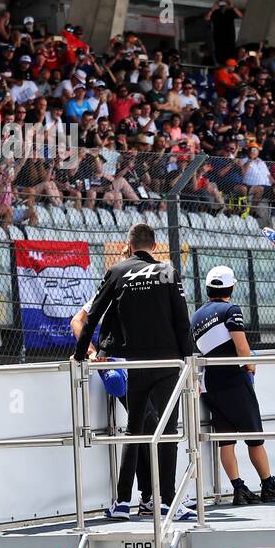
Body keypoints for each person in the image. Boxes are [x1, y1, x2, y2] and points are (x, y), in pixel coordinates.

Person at [73, 223, 197, 521]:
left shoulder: (116, 271)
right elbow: (182, 321)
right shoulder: (168, 271)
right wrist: (190, 359)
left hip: (134, 364)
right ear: (154, 246)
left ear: (129, 244)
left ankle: (122, 503)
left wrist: (81, 356)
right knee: (167, 432)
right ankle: (167, 502)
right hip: (168, 363)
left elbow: (91, 317)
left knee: (133, 431)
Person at [190, 266, 275, 504]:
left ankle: (239, 489)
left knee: (225, 439)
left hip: (209, 383)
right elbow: (241, 347)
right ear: (231, 287)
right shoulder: (231, 309)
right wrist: (250, 365)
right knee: (254, 436)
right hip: (233, 380)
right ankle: (268, 485)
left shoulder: (196, 315)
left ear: (208, 288)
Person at [69, 298, 146, 520]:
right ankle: (134, 499)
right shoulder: (108, 288)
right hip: (121, 367)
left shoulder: (146, 285)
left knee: (145, 427)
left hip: (146, 364)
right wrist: (91, 353)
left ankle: (145, 497)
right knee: (144, 425)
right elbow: (77, 321)